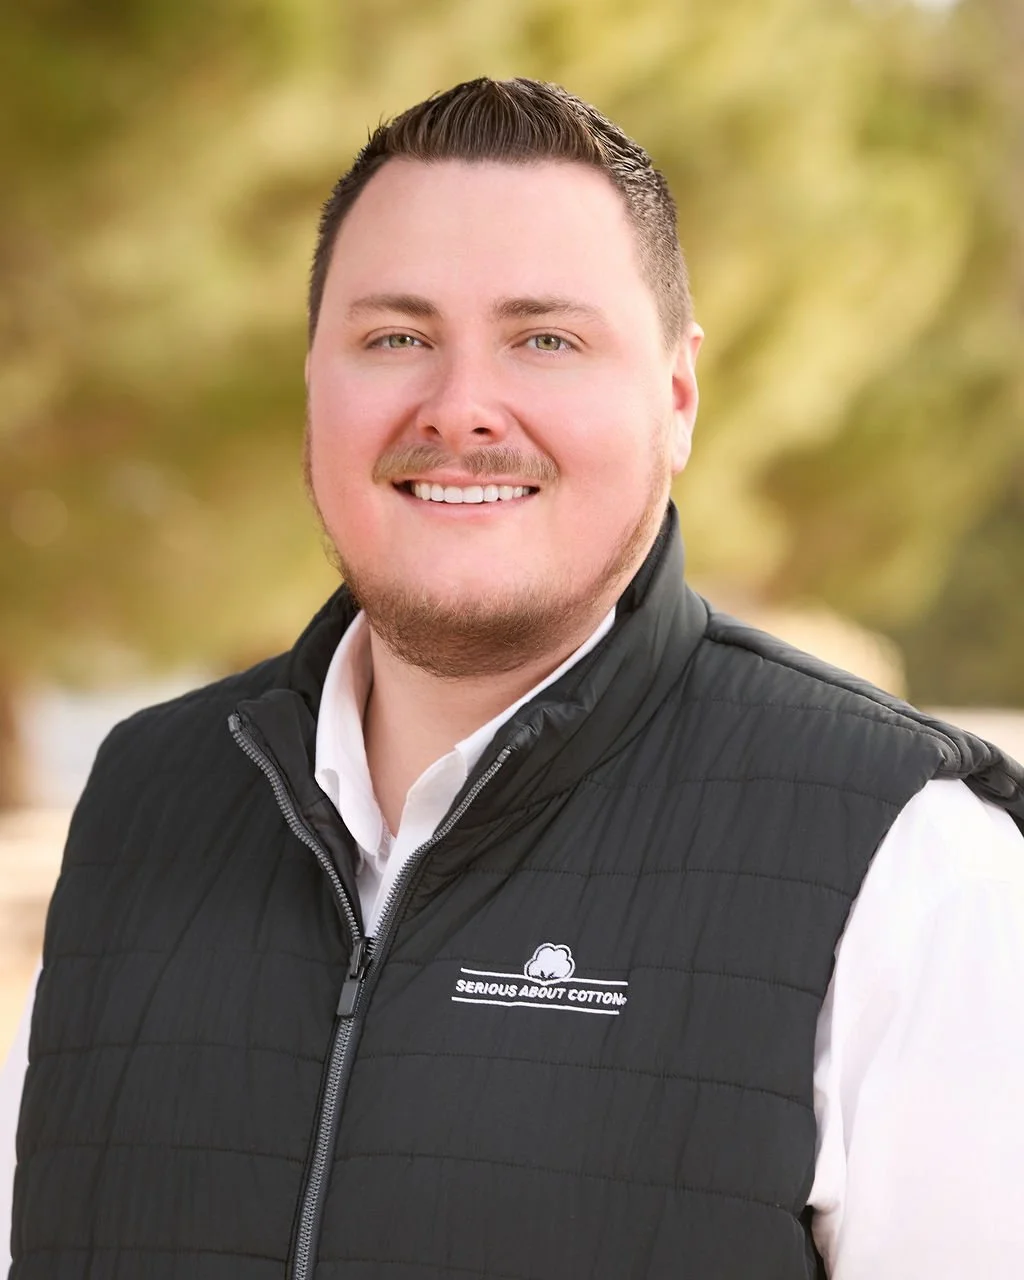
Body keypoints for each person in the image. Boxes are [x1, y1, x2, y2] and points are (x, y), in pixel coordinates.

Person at [3, 77, 1023, 1280]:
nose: (461, 408)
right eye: (395, 337)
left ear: (678, 394)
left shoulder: (913, 860)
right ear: (313, 380)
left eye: (546, 337)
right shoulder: (143, 799)